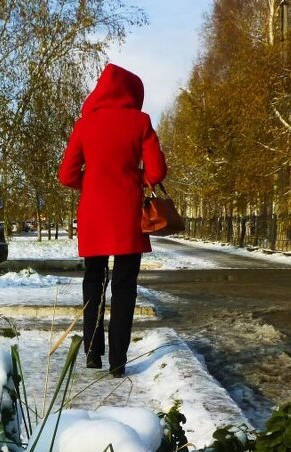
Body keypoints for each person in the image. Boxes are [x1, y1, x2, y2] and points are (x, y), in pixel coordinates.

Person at [57, 63, 168, 377]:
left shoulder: (85, 125)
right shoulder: (140, 121)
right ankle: (118, 361)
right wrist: (135, 177)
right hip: (127, 218)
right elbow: (158, 172)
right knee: (124, 288)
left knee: (93, 283)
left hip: (93, 217)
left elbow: (66, 176)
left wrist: (91, 183)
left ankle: (93, 353)